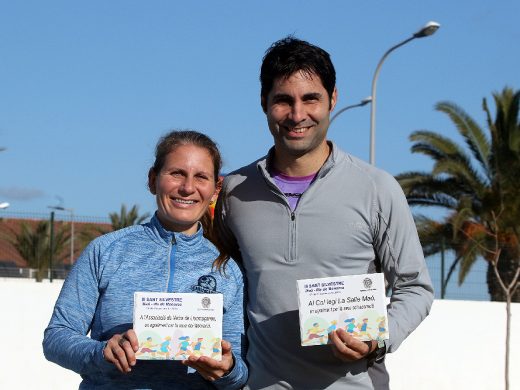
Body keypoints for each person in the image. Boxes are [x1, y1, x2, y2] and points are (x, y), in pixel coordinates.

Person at [214, 36, 434, 389]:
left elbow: (415, 287)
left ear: (333, 99)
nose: (297, 115)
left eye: (310, 98)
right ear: (264, 103)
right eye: (283, 100)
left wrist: (378, 340)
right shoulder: (232, 192)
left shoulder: (377, 188)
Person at [43, 130, 248, 389]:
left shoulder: (227, 268)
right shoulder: (105, 251)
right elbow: (56, 338)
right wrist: (101, 353)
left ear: (215, 189)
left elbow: (239, 371)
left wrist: (227, 369)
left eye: (201, 177)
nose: (187, 187)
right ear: (153, 180)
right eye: (176, 173)